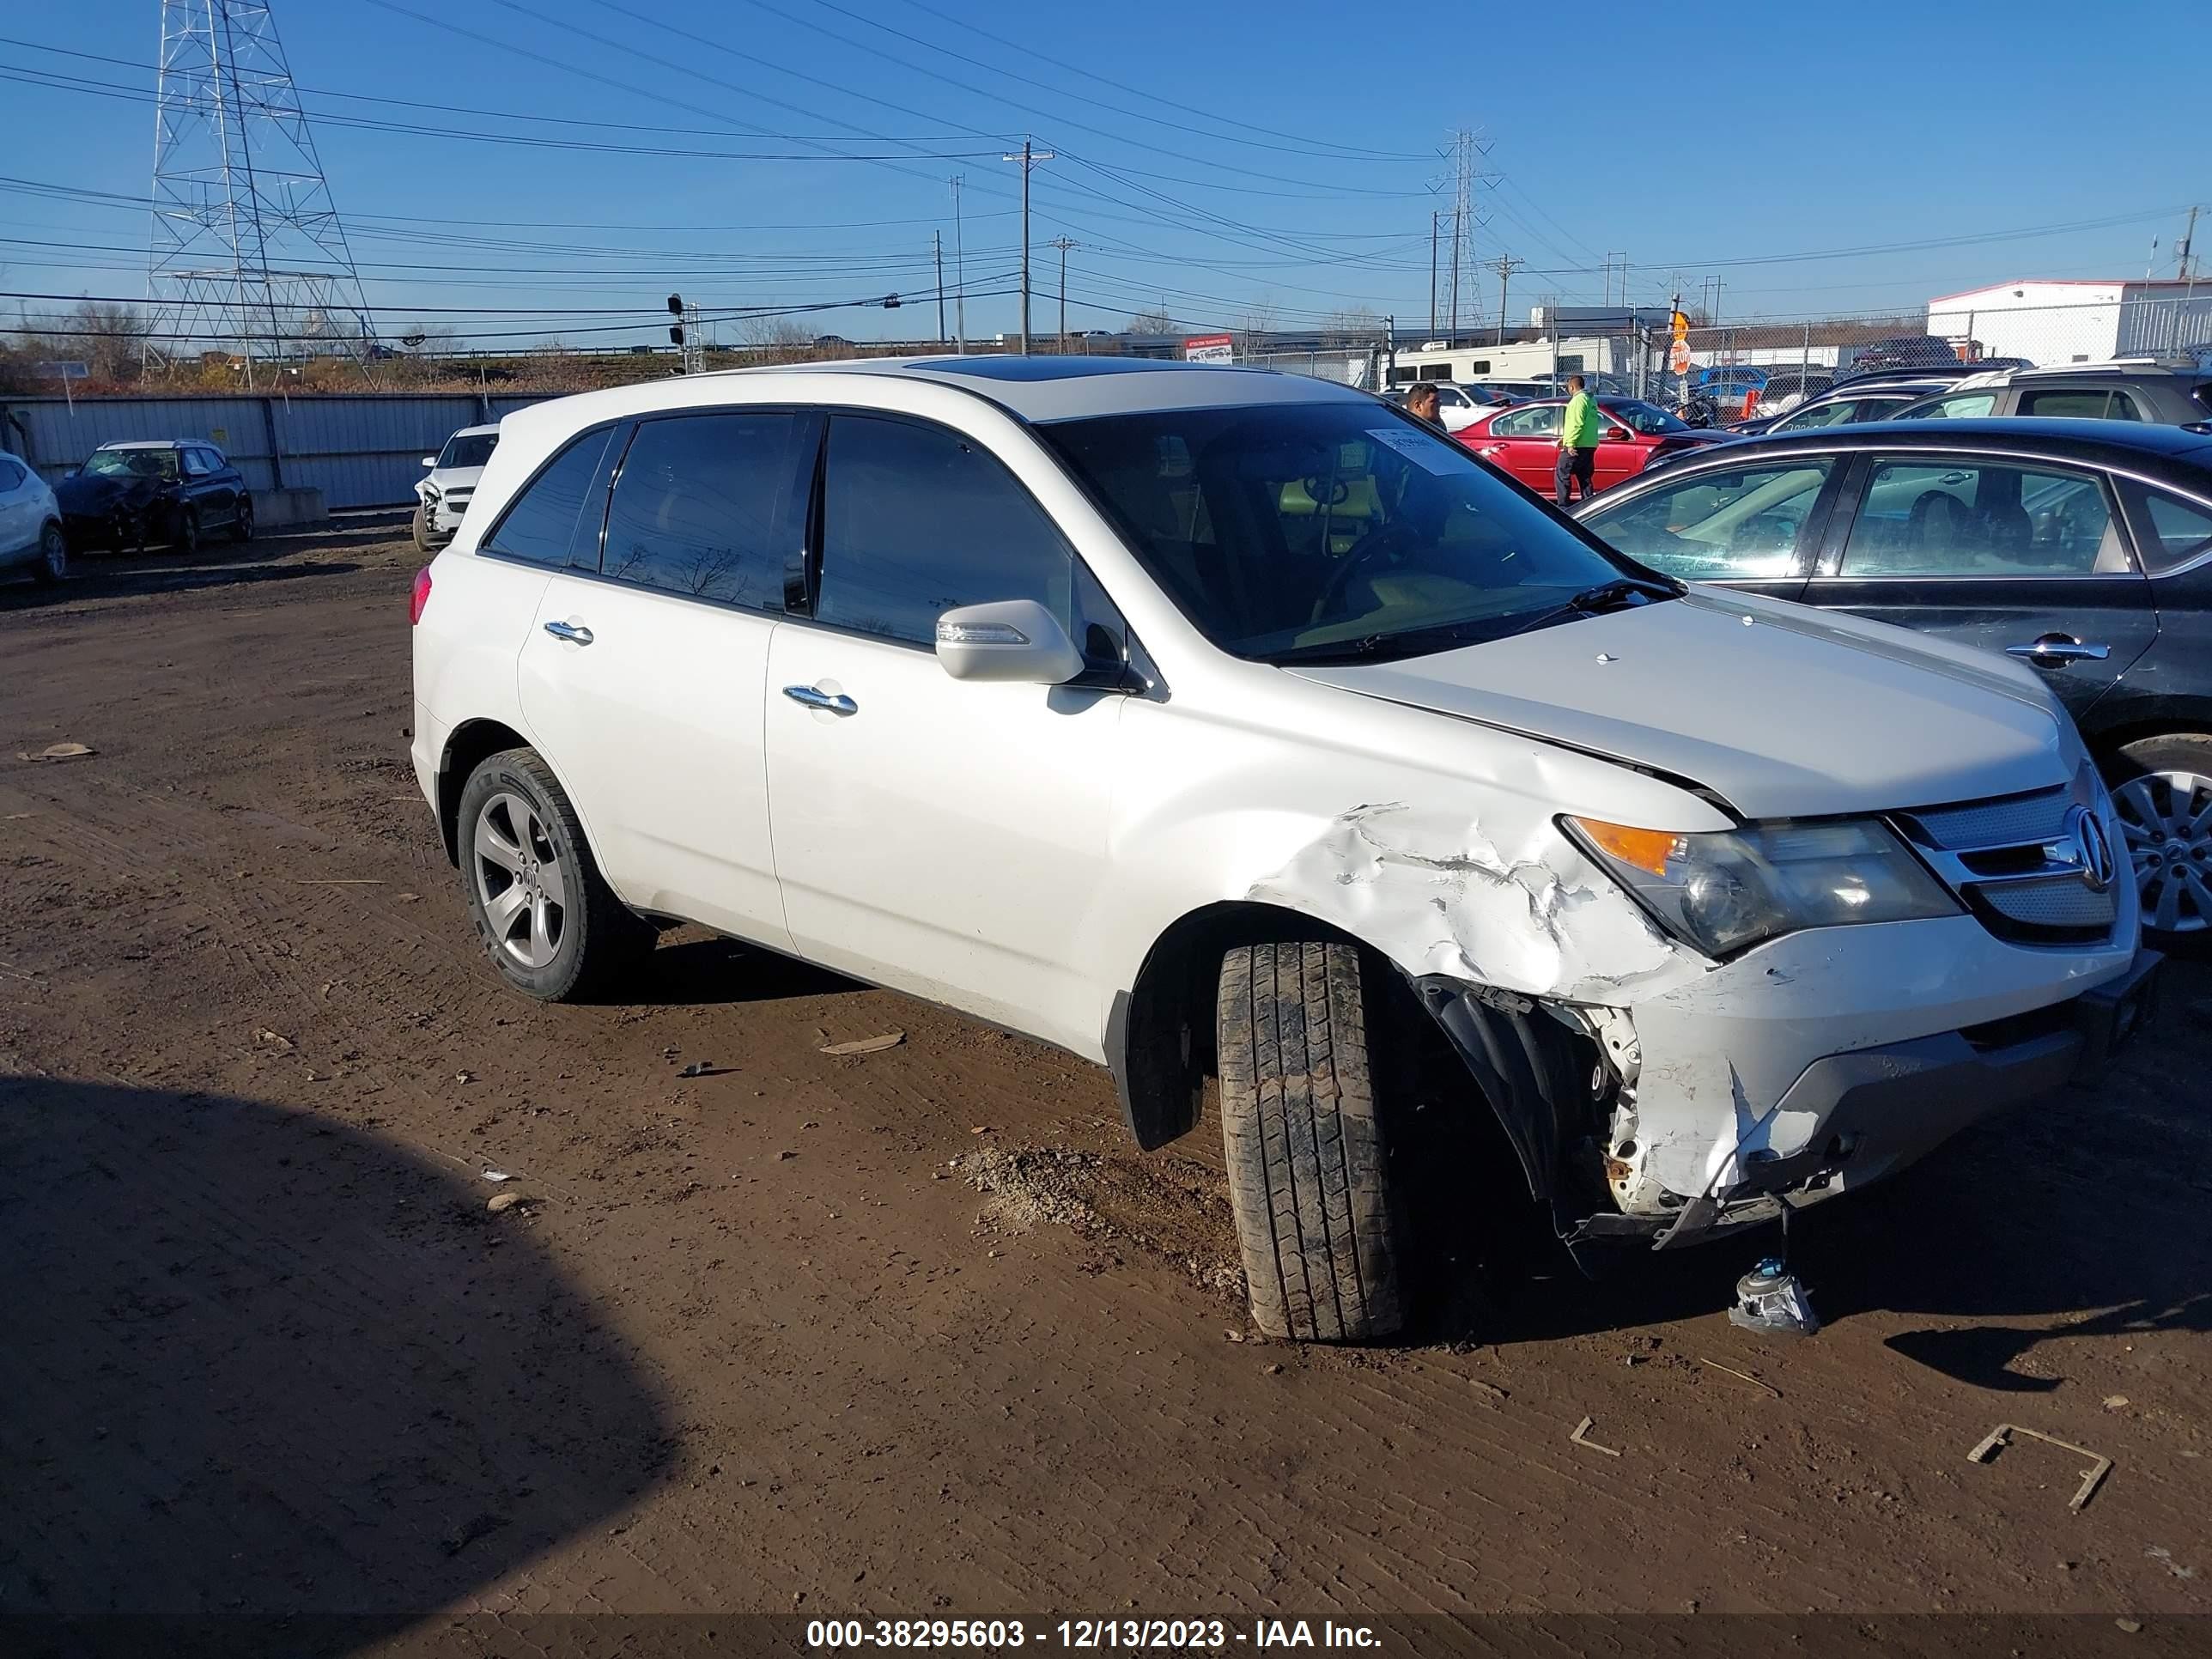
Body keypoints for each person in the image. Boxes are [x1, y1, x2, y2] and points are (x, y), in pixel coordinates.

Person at [1555, 374, 1601, 507]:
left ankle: (1563, 506)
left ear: (1572, 387)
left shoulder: (1578, 401)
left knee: (1562, 472)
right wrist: (1565, 438)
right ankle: (1588, 504)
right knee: (1584, 477)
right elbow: (1586, 424)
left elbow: (1577, 423)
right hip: (1589, 444)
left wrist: (1570, 444)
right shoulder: (1591, 400)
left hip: (1577, 445)